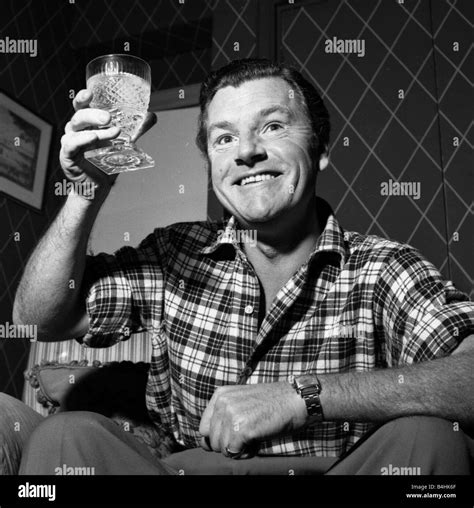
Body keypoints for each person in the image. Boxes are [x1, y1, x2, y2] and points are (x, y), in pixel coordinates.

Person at [9, 58, 474, 475]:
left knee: (431, 438)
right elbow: (39, 320)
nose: (246, 151)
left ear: (322, 148)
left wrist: (303, 397)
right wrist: (85, 191)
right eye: (224, 137)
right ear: (212, 162)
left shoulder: (385, 267)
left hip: (335, 471)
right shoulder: (173, 252)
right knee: (65, 437)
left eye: (272, 126)